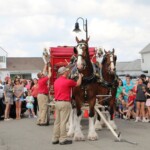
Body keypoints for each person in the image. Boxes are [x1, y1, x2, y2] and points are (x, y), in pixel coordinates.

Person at [52, 66, 83, 145]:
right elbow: (78, 83)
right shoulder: (67, 81)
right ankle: (63, 139)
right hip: (64, 103)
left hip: (57, 103)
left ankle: (55, 138)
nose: (68, 72)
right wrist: (80, 76)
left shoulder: (56, 81)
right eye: (66, 71)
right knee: (63, 122)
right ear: (64, 72)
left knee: (57, 122)